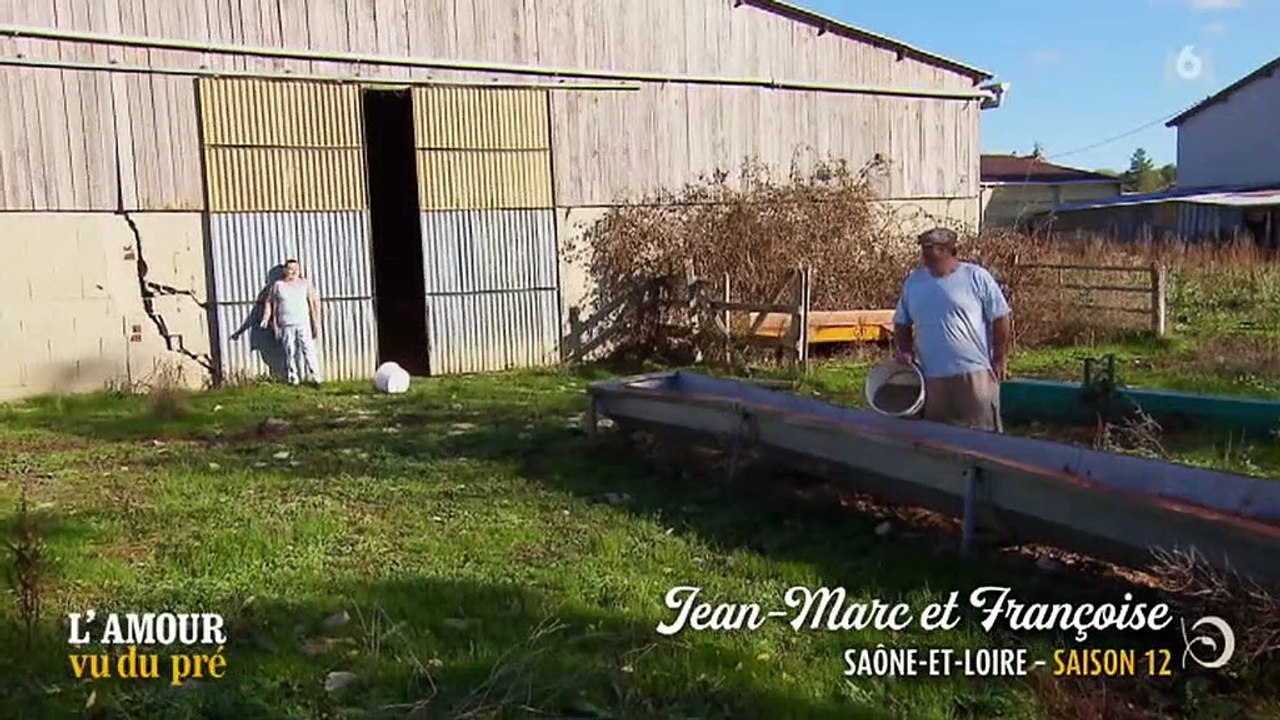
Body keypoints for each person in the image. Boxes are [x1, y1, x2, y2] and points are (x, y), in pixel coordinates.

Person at [891, 227, 1011, 432]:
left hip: (973, 374)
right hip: (932, 376)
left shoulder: (976, 277)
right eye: (924, 248)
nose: (926, 254)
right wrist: (905, 351)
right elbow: (902, 322)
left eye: (932, 248)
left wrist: (999, 357)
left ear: (949, 250)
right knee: (937, 437)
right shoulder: (914, 283)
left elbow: (1000, 316)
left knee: (981, 435)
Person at [260, 259, 324, 386]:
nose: (293, 271)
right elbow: (270, 302)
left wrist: (315, 322)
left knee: (308, 349)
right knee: (290, 350)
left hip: (303, 322)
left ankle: (316, 378)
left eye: (296, 269)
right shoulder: (278, 285)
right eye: (290, 269)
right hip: (286, 323)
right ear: (285, 271)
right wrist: (266, 318)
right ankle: (293, 378)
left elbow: (314, 302)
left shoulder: (305, 283)